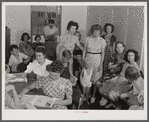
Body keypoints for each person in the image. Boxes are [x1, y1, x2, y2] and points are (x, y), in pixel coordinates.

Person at [82, 24, 106, 103]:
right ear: (92, 31)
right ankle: (86, 94)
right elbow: (84, 50)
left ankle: (93, 95)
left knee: (95, 79)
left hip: (97, 59)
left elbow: (103, 53)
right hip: (88, 58)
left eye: (98, 32)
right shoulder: (87, 39)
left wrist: (100, 64)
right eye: (95, 32)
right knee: (87, 78)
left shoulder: (102, 41)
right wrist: (83, 59)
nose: (96, 33)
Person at [97, 42, 125, 107]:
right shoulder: (113, 55)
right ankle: (106, 97)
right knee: (97, 83)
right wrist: (118, 63)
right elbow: (109, 67)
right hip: (111, 73)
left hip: (118, 75)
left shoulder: (126, 56)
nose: (119, 49)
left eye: (120, 47)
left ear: (123, 48)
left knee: (104, 84)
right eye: (117, 47)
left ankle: (108, 100)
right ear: (115, 48)